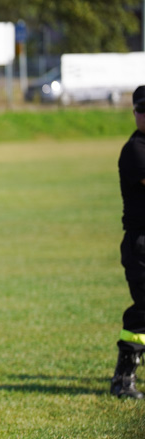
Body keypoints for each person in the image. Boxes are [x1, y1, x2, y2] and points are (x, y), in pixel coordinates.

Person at [111, 85, 145, 399]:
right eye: (142, 109)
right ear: (134, 113)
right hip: (141, 246)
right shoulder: (136, 149)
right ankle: (123, 379)